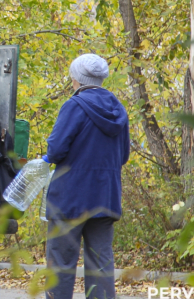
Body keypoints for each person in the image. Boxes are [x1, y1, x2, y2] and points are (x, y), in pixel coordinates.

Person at [43, 53, 129, 299]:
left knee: (60, 262)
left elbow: (56, 150)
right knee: (101, 263)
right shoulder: (118, 109)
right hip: (106, 196)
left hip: (70, 197)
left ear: (77, 79)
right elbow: (123, 156)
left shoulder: (74, 105)